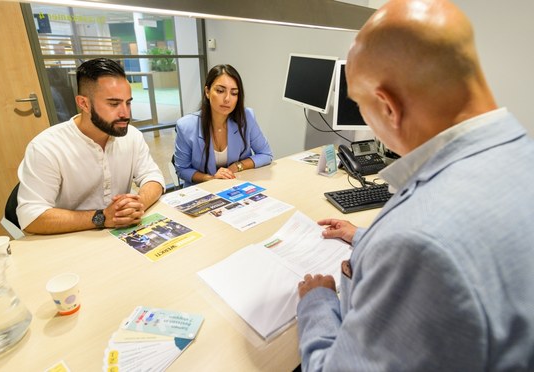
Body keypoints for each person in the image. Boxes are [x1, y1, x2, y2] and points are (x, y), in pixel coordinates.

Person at [296, 0, 534, 370]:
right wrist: (365, 238)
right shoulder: (521, 155)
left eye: (361, 107)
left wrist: (317, 303)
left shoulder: (417, 242)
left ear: (387, 106)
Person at [17, 58, 165, 234]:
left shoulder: (132, 135)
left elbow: (153, 177)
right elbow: (30, 217)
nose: (125, 113)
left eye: (128, 102)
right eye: (114, 104)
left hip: (122, 234)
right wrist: (102, 217)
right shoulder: (46, 147)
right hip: (71, 238)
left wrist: (137, 204)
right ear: (84, 104)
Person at [174, 64, 272, 187]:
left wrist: (236, 166)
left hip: (236, 184)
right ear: (207, 92)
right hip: (202, 189)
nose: (227, 99)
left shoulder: (246, 117)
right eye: (220, 91)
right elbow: (182, 169)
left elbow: (266, 154)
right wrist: (211, 178)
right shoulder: (186, 126)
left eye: (234, 93)